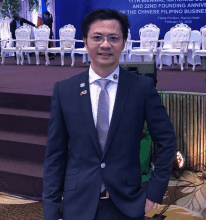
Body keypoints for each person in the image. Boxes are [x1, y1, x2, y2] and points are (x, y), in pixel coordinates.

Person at [42, 9, 176, 220]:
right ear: (85, 42)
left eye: (113, 38)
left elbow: (166, 141)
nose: (105, 45)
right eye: (97, 37)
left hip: (128, 201)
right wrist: (50, 209)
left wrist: (154, 193)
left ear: (123, 43)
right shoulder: (64, 90)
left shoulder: (142, 88)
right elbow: (55, 154)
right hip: (78, 202)